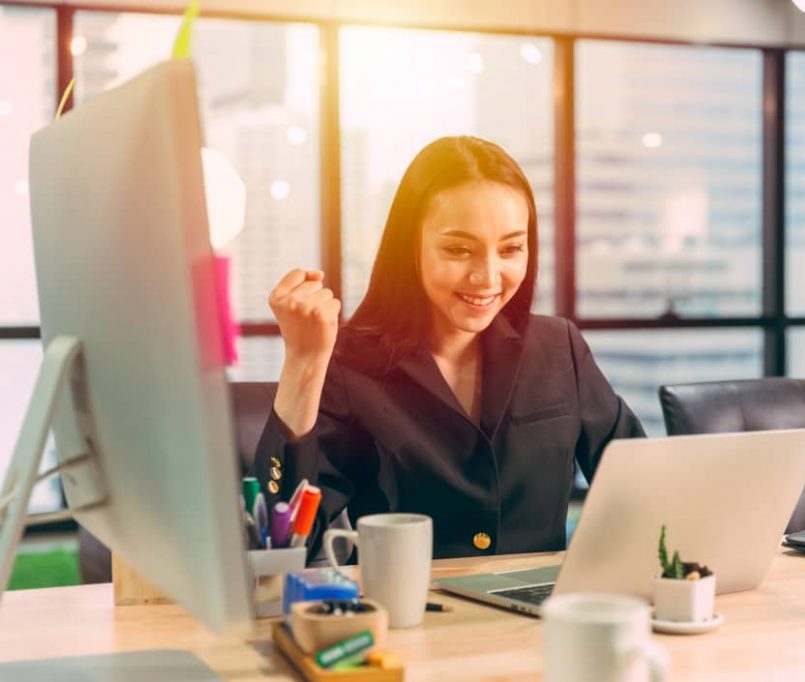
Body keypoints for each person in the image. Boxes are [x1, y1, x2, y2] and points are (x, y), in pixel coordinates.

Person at [254, 136, 643, 561]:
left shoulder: (558, 346)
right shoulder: (351, 365)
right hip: (409, 615)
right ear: (410, 249)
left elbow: (642, 483)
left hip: (540, 618)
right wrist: (303, 362)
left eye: (512, 248)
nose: (488, 277)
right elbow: (287, 542)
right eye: (459, 250)